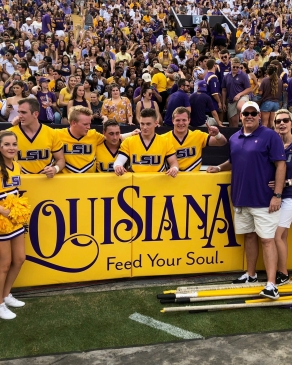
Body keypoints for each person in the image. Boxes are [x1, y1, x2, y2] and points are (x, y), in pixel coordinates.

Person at [207, 101, 286, 300]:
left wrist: (277, 195)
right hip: (241, 198)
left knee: (267, 240)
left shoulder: (270, 136)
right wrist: (218, 168)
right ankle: (251, 275)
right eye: (245, 113)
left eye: (253, 113)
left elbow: (281, 165)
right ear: (240, 116)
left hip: (264, 200)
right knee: (249, 237)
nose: (249, 116)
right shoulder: (234, 138)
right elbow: (233, 162)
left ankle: (271, 285)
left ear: (260, 116)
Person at [0, 131, 30, 320]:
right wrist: (4, 212)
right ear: (0, 147)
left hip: (15, 217)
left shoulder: (17, 166)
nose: (11, 148)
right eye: (7, 144)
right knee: (4, 264)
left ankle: (6, 294)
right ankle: (0, 303)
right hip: (2, 218)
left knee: (19, 258)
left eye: (14, 144)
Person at [58, 106, 140, 173]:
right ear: (73, 123)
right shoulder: (57, 135)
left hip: (91, 181)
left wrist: (131, 133)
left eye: (89, 124)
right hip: (67, 181)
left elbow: (112, 137)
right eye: (85, 124)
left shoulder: (93, 134)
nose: (89, 127)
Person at [8, 98, 65, 177]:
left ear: (36, 114)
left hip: (45, 181)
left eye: (23, 112)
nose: (19, 116)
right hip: (19, 183)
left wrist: (55, 169)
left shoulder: (51, 133)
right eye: (19, 112)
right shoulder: (9, 134)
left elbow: (61, 159)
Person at [114, 108, 179, 176]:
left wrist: (174, 168)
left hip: (159, 183)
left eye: (148, 124)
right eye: (142, 124)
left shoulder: (165, 141)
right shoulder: (129, 141)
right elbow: (119, 161)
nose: (144, 127)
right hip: (136, 183)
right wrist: (118, 166)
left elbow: (174, 162)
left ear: (156, 123)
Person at [164, 107, 227, 171]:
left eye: (184, 120)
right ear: (173, 121)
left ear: (189, 120)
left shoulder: (198, 135)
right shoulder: (164, 138)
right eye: (178, 120)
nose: (181, 123)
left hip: (194, 178)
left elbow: (222, 142)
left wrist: (217, 134)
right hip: (171, 177)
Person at [269, 109, 292, 286]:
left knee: (276, 235)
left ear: (291, 123)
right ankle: (281, 272)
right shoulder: (274, 144)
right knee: (281, 236)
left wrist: (286, 183)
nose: (282, 124)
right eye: (278, 121)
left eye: (285, 120)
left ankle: (283, 273)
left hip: (289, 197)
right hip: (276, 196)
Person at [222, 57, 252, 127]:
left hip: (242, 96)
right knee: (233, 122)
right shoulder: (226, 76)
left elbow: (249, 89)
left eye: (237, 67)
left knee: (240, 106)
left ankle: (249, 116)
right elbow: (224, 90)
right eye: (234, 66)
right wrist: (223, 102)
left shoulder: (243, 75)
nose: (235, 68)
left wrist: (239, 94)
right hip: (231, 99)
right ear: (231, 65)